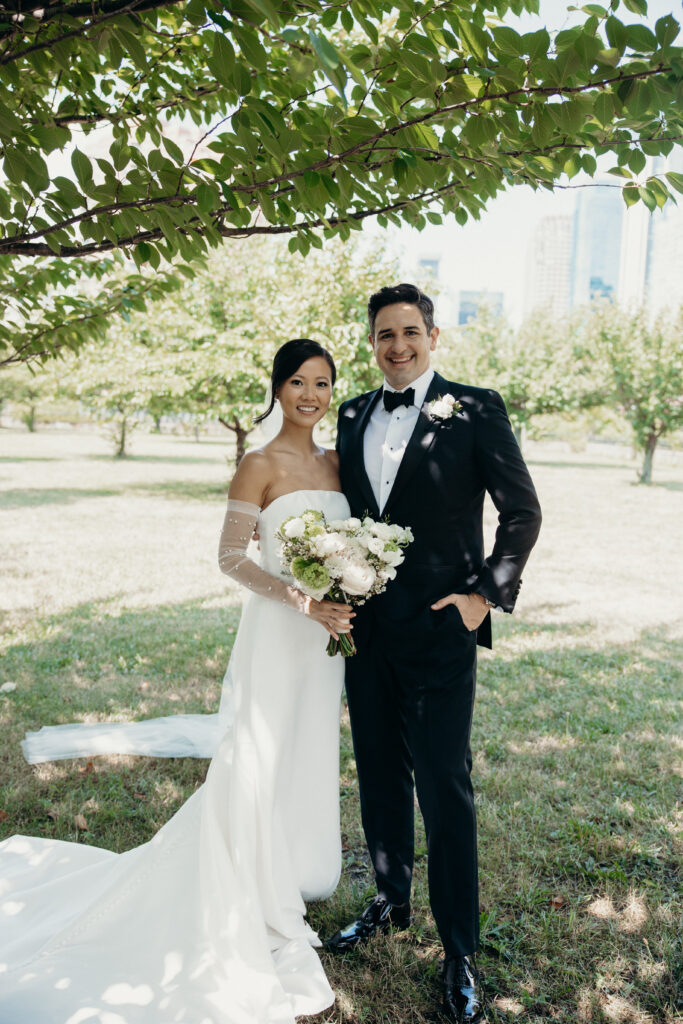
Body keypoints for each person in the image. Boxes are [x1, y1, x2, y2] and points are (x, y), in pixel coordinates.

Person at [0, 339, 353, 1024]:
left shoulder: (338, 465)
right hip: (279, 633)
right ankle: (244, 876)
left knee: (305, 752)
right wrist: (297, 599)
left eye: (322, 383)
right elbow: (229, 557)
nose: (310, 395)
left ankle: (289, 862)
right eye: (297, 382)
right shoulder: (258, 463)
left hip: (324, 642)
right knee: (257, 754)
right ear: (276, 389)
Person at [326, 284, 542, 1024]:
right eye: (384, 335)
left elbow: (521, 511)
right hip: (364, 632)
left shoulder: (475, 408)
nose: (398, 347)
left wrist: (485, 595)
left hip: (442, 631)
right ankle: (389, 900)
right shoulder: (352, 412)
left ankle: (459, 952)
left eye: (410, 332)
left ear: (433, 335)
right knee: (380, 774)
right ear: (372, 342)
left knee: (444, 787)